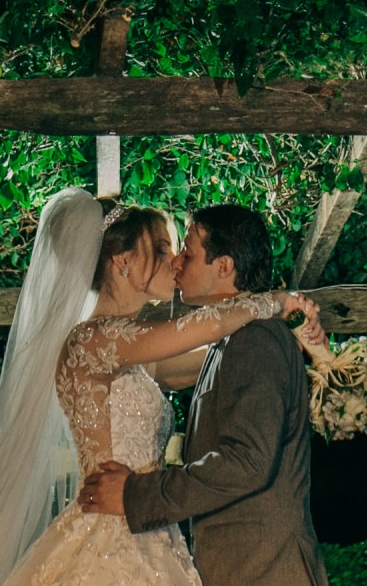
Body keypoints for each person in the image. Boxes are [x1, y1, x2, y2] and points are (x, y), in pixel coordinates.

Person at [0, 188, 318, 586]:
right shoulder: (93, 340)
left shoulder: (137, 350)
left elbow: (219, 355)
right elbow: (206, 327)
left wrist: (296, 338)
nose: (174, 262)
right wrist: (277, 303)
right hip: (113, 530)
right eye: (159, 250)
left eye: (179, 251)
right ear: (122, 261)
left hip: (149, 524)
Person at [78, 204, 330, 586]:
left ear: (224, 266)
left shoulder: (256, 339)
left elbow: (246, 461)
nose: (176, 264)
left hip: (264, 570)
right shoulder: (232, 339)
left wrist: (137, 494)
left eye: (187, 253)